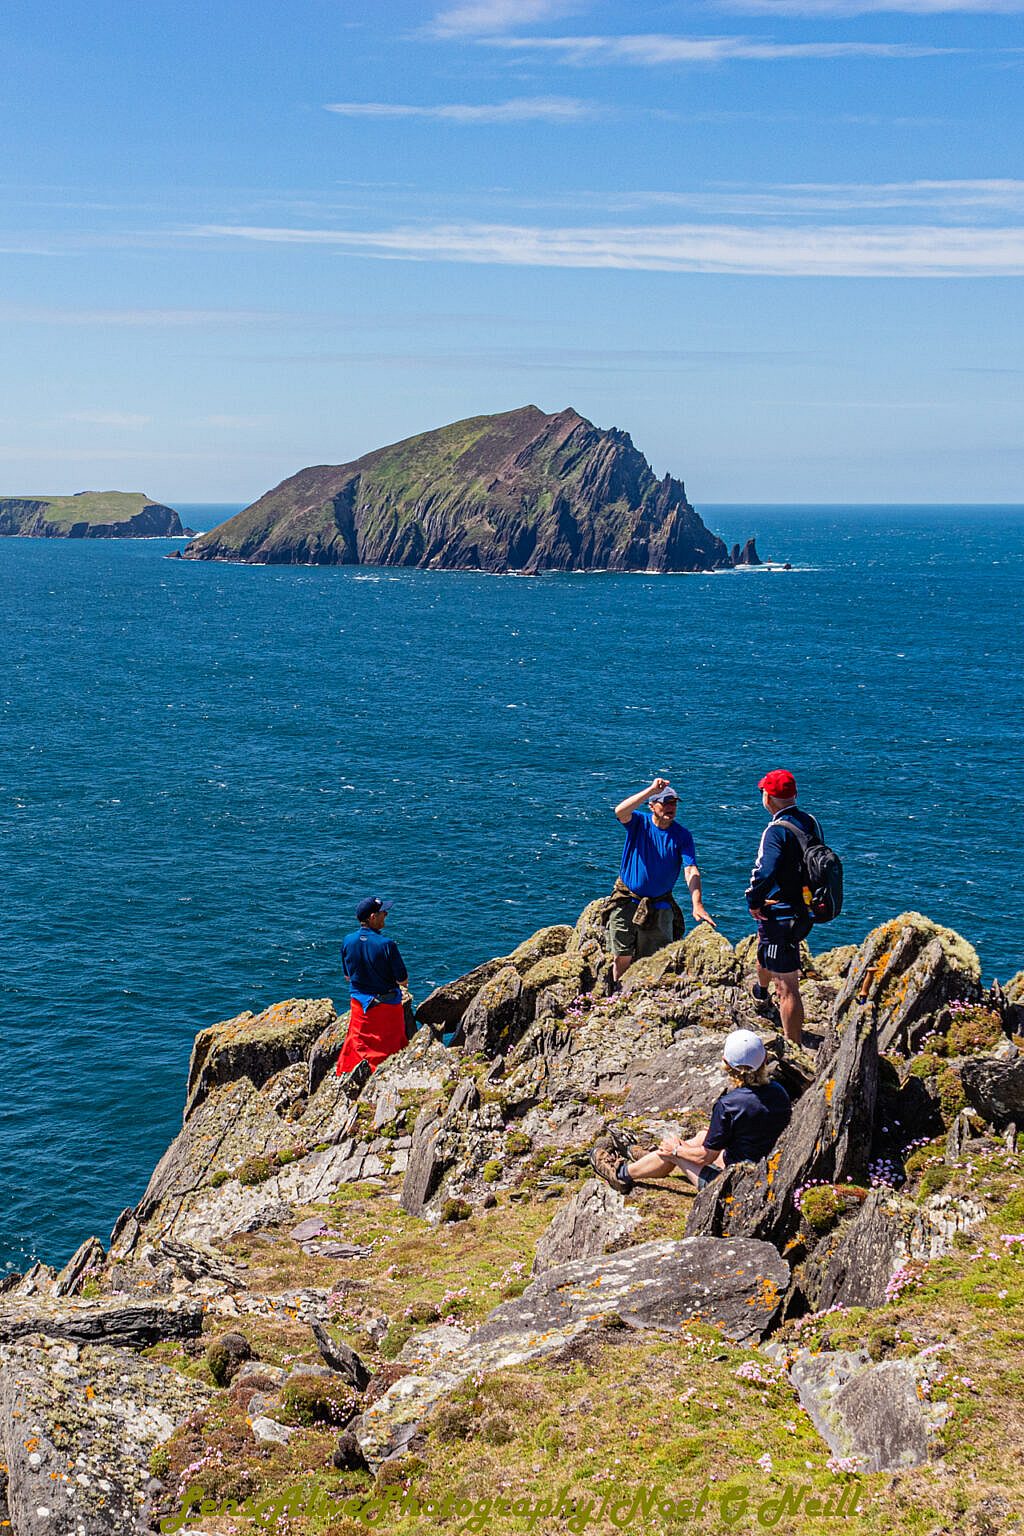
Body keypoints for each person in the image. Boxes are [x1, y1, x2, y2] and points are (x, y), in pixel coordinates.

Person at [590, 1029, 790, 1194]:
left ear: (726, 1064)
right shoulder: (780, 1092)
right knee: (702, 1136)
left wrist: (676, 1151)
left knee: (673, 1151)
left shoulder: (728, 1104)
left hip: (733, 1183)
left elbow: (706, 1158)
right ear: (764, 1059)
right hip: (764, 1167)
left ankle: (622, 1174)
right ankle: (649, 1160)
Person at [606, 776, 716, 983]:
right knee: (622, 955)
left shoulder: (682, 835)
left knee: (657, 959)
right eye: (665, 802)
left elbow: (690, 869)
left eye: (673, 803)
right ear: (652, 806)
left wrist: (697, 904)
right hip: (627, 900)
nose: (670, 807)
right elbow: (620, 811)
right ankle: (617, 997)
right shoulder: (639, 822)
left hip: (660, 904)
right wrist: (650, 790)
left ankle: (644, 999)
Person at [746, 768, 823, 1047]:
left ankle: (794, 1046)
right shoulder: (810, 822)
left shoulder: (776, 831)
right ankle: (760, 991)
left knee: (787, 987)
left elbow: (763, 872)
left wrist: (753, 901)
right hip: (805, 909)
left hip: (781, 914)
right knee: (764, 945)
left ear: (769, 797)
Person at [336, 896, 410, 1083]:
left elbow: (347, 976)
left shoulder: (347, 941)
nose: (386, 914)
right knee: (389, 1049)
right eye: (382, 912)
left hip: (360, 1006)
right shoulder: (387, 945)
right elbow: (403, 980)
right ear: (372, 917)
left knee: (359, 1047)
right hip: (386, 1009)